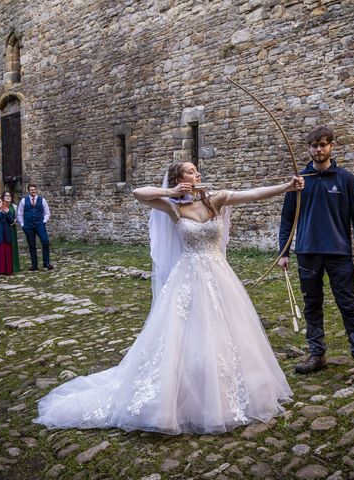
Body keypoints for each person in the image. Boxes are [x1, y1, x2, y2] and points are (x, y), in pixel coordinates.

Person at [34, 161, 304, 435]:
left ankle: (221, 389)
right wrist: (172, 193)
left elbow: (253, 193)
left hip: (219, 276)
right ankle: (182, 392)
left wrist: (287, 187)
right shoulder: (174, 207)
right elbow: (139, 193)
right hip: (186, 277)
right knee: (182, 333)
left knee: (226, 332)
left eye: (196, 171)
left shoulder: (216, 199)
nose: (196, 174)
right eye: (190, 171)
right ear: (178, 179)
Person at [277, 125, 354, 385]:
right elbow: (287, 218)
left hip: (338, 252)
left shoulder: (345, 179)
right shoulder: (300, 182)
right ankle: (316, 354)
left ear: (331, 146)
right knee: (312, 304)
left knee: (348, 305)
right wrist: (284, 251)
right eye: (314, 145)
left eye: (323, 144)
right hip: (308, 251)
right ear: (308, 149)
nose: (319, 149)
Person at [16, 184, 52, 271]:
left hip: (39, 224)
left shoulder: (42, 200)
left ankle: (46, 263)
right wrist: (22, 224)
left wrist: (44, 221)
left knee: (45, 241)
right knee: (32, 245)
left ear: (36, 190)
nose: (33, 191)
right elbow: (20, 213)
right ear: (29, 190)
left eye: (34, 189)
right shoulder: (24, 201)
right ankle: (34, 265)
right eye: (32, 190)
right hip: (28, 226)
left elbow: (47, 212)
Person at [2, 191, 20, 272]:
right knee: (5, 247)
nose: (8, 197)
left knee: (13, 247)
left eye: (9, 196)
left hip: (12, 228)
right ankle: (5, 266)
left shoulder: (14, 207)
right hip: (4, 229)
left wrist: (15, 221)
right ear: (3, 197)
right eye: (6, 196)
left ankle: (14, 267)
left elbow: (17, 217)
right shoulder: (1, 206)